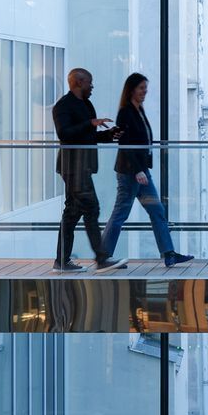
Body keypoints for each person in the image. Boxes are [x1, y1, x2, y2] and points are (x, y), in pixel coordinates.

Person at [100, 72, 192, 268]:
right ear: (132, 89)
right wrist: (138, 171)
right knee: (121, 213)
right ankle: (103, 256)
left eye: (145, 88)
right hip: (131, 173)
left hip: (140, 172)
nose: (145, 91)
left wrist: (143, 168)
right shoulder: (125, 112)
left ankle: (169, 254)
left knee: (157, 210)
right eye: (142, 88)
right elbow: (125, 144)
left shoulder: (138, 110)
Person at [51, 68, 126, 273]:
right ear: (78, 82)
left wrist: (109, 135)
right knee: (91, 208)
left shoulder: (86, 104)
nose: (92, 87)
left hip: (83, 166)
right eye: (89, 83)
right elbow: (64, 133)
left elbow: (87, 137)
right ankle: (101, 258)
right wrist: (90, 123)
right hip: (72, 167)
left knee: (72, 213)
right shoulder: (63, 106)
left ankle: (62, 261)